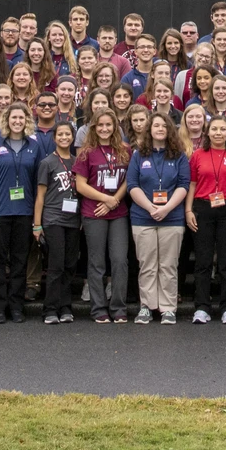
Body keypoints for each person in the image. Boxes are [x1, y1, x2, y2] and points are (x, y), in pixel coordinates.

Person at [128, 111, 191, 324]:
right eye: (156, 126)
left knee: (168, 265)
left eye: (164, 126)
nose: (160, 129)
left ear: (170, 130)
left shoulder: (179, 155)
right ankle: (146, 306)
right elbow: (132, 185)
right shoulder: (138, 155)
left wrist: (166, 208)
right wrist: (150, 207)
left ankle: (167, 308)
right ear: (149, 129)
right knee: (147, 264)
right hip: (142, 217)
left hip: (172, 218)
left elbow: (184, 185)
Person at [0, 102, 41, 324]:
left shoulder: (34, 147)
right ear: (6, 120)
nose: (17, 121)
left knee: (19, 261)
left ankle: (16, 305)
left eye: (21, 118)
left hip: (24, 213)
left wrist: (37, 217)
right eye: (13, 118)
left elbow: (38, 184)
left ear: (26, 121)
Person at [186, 113, 226, 324]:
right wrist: (188, 210)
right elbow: (192, 184)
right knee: (203, 261)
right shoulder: (198, 155)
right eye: (214, 129)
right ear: (207, 132)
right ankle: (202, 306)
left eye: (222, 129)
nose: (218, 133)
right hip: (203, 208)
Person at [76, 110, 133, 323]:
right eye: (100, 125)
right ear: (93, 127)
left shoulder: (125, 150)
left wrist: (114, 200)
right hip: (93, 213)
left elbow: (129, 179)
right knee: (96, 262)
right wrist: (105, 199)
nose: (104, 129)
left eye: (109, 124)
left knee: (119, 261)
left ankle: (118, 307)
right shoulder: (86, 152)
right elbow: (80, 185)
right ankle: (98, 308)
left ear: (115, 127)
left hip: (118, 213)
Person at [32, 119, 82, 324]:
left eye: (67, 134)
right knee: (56, 264)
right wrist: (37, 225)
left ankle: (65, 306)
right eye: (60, 134)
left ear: (72, 137)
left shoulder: (76, 162)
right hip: (53, 219)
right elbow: (40, 196)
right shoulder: (47, 163)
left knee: (70, 264)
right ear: (54, 138)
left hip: (73, 219)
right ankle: (50, 308)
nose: (64, 137)